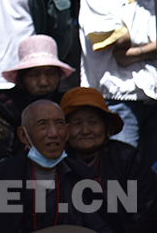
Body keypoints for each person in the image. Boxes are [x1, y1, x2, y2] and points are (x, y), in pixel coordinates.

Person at [73, 0, 157, 169]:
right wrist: (150, 46)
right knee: (122, 171)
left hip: (151, 97)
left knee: (149, 174)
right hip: (117, 100)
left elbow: (125, 48)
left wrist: (134, 50)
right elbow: (115, 42)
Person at [0, 99, 113, 233]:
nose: (53, 133)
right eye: (42, 124)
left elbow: (98, 225)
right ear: (24, 135)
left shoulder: (78, 176)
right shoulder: (0, 178)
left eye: (59, 123)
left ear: (67, 132)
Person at [61, 87, 157, 233]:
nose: (85, 130)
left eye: (92, 122)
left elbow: (146, 213)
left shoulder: (128, 159)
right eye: (77, 124)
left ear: (107, 127)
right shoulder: (58, 163)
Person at [0, 34, 74, 176]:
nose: (43, 81)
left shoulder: (67, 104)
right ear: (21, 78)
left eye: (50, 74)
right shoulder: (5, 107)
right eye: (34, 75)